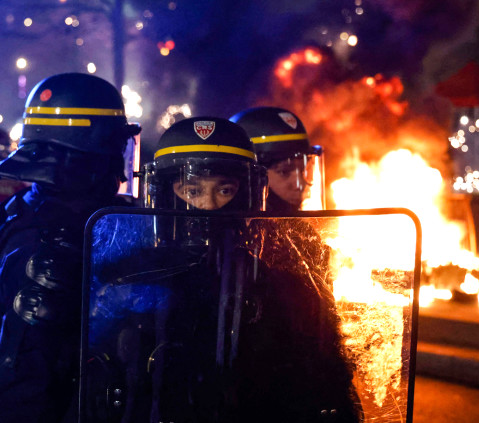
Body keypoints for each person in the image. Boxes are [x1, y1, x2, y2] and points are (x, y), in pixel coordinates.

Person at [85, 117, 361, 422]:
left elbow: (321, 385)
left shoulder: (282, 286)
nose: (208, 205)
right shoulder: (128, 278)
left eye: (225, 190)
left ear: (246, 193)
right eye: (192, 191)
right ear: (166, 192)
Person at [0, 73, 141, 423]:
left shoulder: (31, 210)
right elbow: (25, 386)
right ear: (95, 154)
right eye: (117, 148)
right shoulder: (46, 240)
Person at [230, 106, 325, 212]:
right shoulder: (232, 228)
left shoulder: (299, 227)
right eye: (284, 172)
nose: (301, 185)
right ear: (247, 178)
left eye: (304, 170)